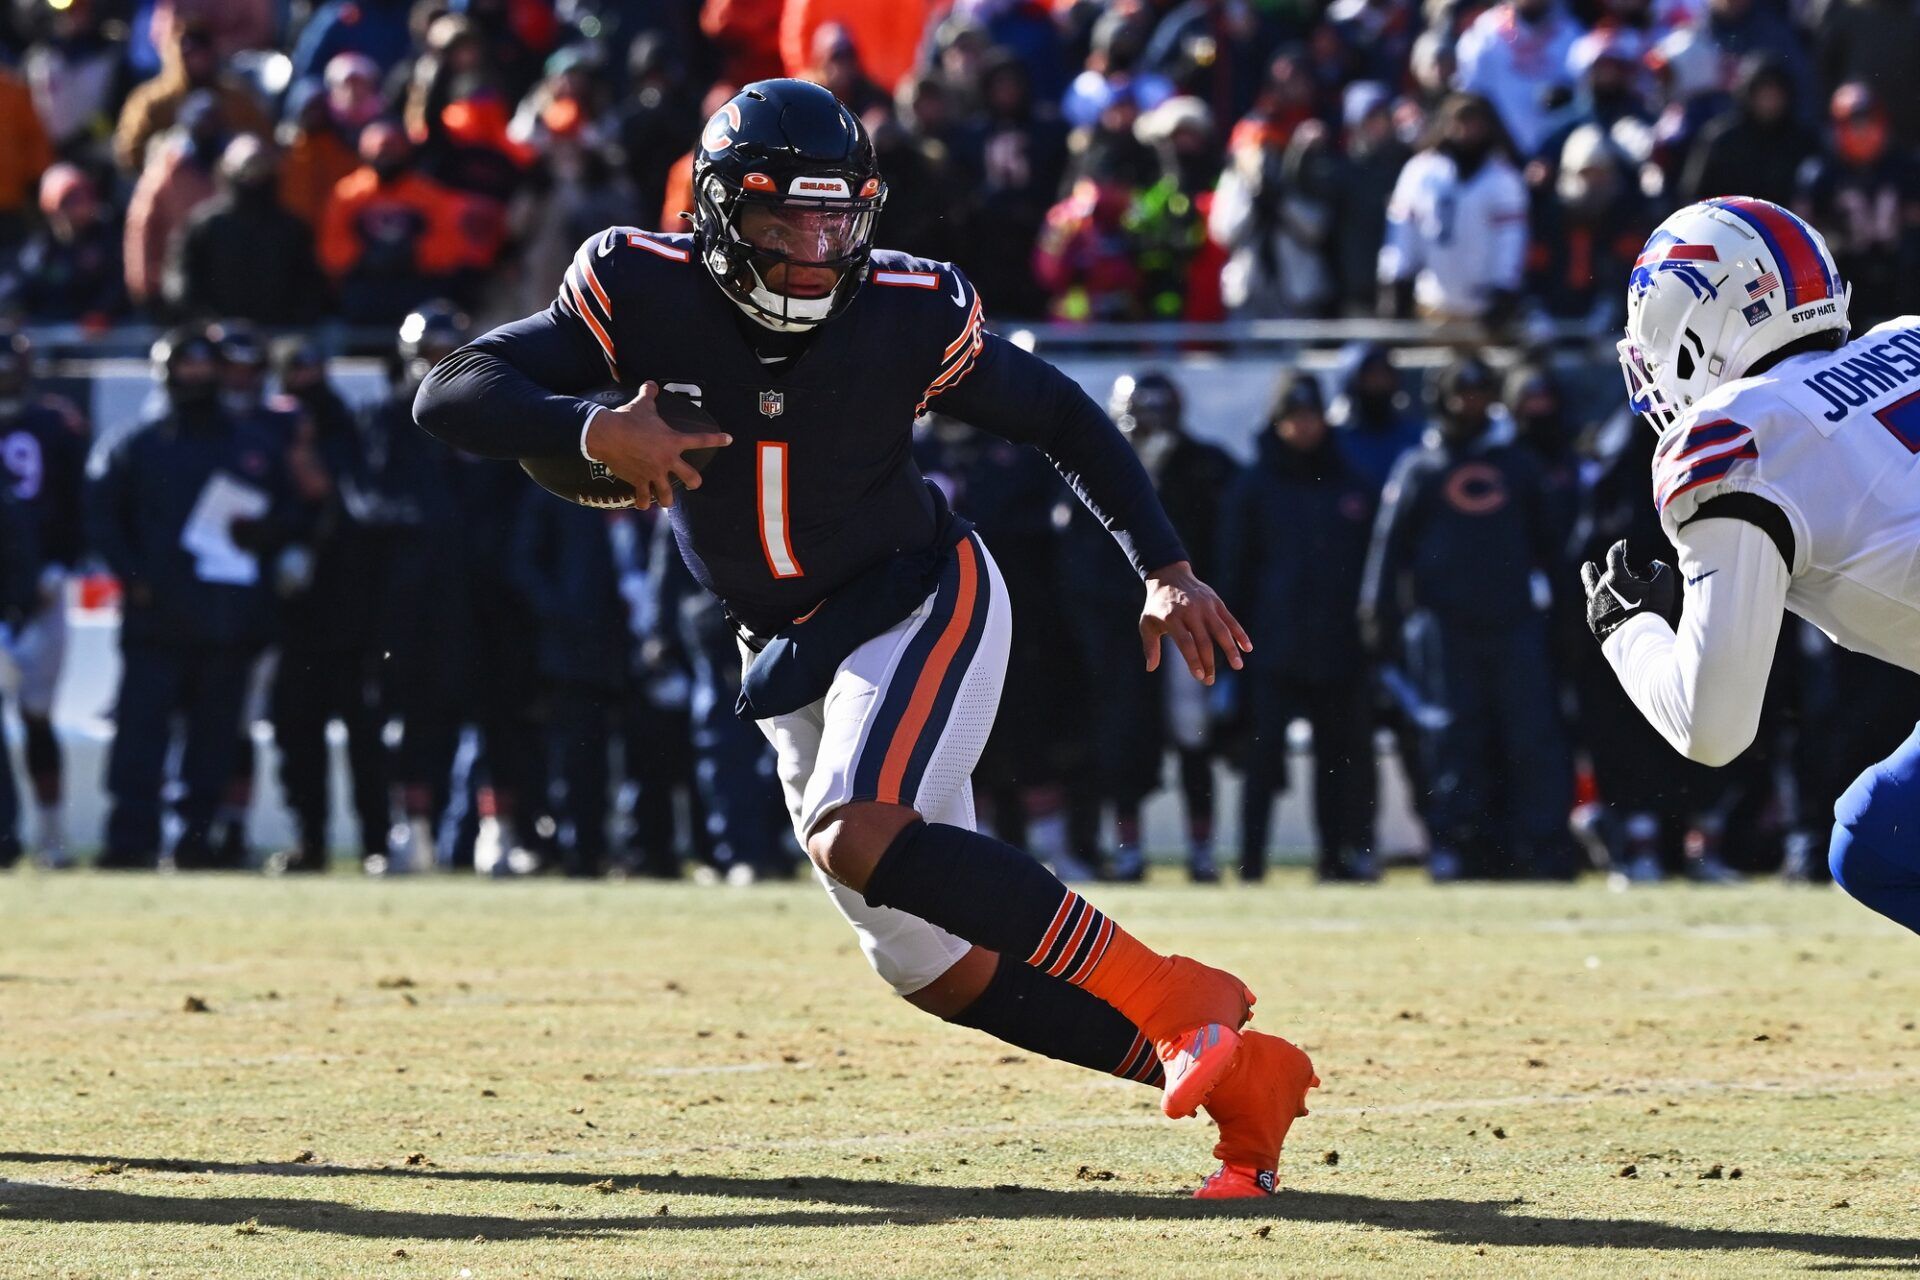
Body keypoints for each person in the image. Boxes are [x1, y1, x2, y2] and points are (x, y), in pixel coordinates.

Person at [415, 79, 1316, 1199]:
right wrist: (590, 424)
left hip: (916, 593)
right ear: (714, 210)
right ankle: (1242, 1086)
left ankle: (1180, 996)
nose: (813, 246)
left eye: (836, 218)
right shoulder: (635, 283)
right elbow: (451, 390)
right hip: (784, 644)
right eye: (786, 218)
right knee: (931, 961)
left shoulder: (906, 306)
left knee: (858, 832)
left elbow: (1062, 417)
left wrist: (1165, 568)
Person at [1589, 194, 1920, 936]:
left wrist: (1625, 628)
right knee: (1877, 836)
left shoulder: (1734, 437)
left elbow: (1714, 727)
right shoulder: (1908, 339)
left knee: (1878, 847)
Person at [84, 324, 299, 869]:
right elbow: (100, 516)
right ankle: (129, 840)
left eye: (205, 367)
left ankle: (196, 842)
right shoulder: (136, 445)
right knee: (139, 738)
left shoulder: (252, 445)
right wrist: (133, 576)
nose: (197, 377)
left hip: (226, 621)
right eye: (186, 367)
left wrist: (266, 532)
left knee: (213, 742)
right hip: (155, 618)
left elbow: (294, 514)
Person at [1361, 356, 1577, 880]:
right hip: (1444, 629)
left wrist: (1572, 620)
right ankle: (1459, 849)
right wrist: (1376, 619)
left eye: (1480, 392)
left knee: (1531, 738)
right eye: (1461, 393)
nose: (1470, 404)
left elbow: (1552, 548)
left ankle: (1540, 851)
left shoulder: (1516, 466)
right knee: (1454, 742)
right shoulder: (1421, 466)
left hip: (1515, 625)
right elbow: (1387, 550)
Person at [1218, 373, 1379, 882]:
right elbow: (1232, 569)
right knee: (1261, 763)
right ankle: (1251, 862)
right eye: (1294, 417)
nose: (1303, 427)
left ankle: (1335, 858)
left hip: (1338, 648)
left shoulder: (1351, 482)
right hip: (1270, 648)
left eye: (1310, 417)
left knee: (1338, 763)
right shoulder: (1254, 485)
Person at [265, 337, 394, 873]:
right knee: (298, 733)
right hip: (296, 618)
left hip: (353, 611)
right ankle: (311, 840)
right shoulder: (265, 433)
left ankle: (376, 843)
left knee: (365, 735)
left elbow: (356, 505)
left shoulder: (352, 431)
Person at [0, 327, 89, 868]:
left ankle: (51, 835)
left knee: (38, 714)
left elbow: (82, 497)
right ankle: (6, 834)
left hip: (44, 588)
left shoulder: (54, 423)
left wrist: (62, 563)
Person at [1378, 94, 1529, 327]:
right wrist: (1396, 278)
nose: (1466, 131)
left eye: (1474, 123)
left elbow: (1510, 240)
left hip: (1484, 308)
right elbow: (1403, 232)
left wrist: (1505, 288)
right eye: (1459, 122)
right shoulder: (1421, 171)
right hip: (1430, 302)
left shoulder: (1503, 178)